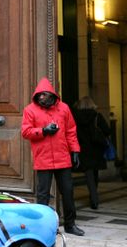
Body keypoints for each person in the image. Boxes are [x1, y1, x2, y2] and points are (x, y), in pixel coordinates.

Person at [21, 77, 84, 236]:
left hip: (63, 157)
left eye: (44, 95)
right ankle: (40, 226)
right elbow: (26, 132)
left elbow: (71, 130)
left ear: (51, 95)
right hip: (43, 158)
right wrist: (43, 131)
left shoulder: (64, 108)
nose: (41, 97)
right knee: (42, 194)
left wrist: (75, 151)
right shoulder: (30, 110)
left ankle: (70, 224)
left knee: (68, 191)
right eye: (39, 95)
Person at [73, 96, 112, 210]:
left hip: (83, 149)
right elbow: (107, 130)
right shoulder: (97, 116)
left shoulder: (76, 118)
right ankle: (94, 199)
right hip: (96, 149)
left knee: (89, 173)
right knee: (94, 174)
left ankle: (93, 197)